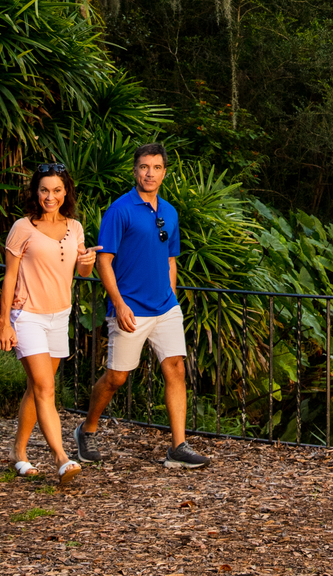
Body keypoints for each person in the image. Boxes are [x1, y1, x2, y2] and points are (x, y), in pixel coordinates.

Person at [74, 142, 209, 470]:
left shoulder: (171, 212)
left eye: (157, 167)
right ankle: (87, 429)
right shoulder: (120, 210)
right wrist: (118, 304)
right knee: (117, 378)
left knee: (175, 368)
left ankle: (178, 446)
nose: (150, 173)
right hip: (130, 308)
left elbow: (171, 259)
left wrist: (171, 298)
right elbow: (105, 261)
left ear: (164, 172)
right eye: (144, 167)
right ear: (135, 171)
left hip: (165, 307)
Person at [0, 163, 99, 481]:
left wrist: (88, 263)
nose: (50, 196)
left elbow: (82, 272)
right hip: (27, 315)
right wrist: (4, 323)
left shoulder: (76, 227)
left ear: (65, 191)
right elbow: (9, 276)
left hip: (60, 316)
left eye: (56, 190)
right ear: (35, 192)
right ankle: (61, 457)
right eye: (44, 189)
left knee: (36, 387)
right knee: (46, 387)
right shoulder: (22, 227)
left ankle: (18, 452)